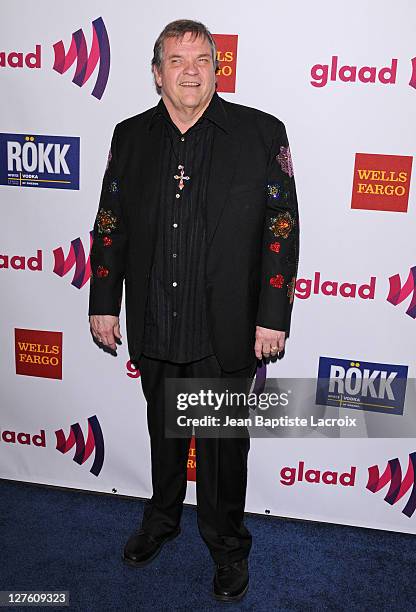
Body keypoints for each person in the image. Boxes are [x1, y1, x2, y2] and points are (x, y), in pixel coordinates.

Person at [88, 19, 299, 603]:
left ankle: (228, 547)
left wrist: (273, 314)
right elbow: (110, 225)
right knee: (164, 433)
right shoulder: (129, 137)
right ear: (157, 74)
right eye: (177, 60)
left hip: (226, 330)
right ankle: (160, 520)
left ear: (216, 67)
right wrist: (104, 302)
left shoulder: (260, 134)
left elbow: (282, 231)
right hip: (156, 321)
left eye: (202, 59)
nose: (190, 70)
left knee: (223, 454)